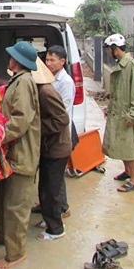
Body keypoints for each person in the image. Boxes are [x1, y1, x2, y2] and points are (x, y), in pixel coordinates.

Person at [0, 41, 41, 269]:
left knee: (16, 207)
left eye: (11, 56)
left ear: (17, 61)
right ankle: (2, 239)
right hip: (12, 154)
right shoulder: (18, 80)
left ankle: (16, 254)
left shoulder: (24, 83)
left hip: (21, 155)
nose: (8, 59)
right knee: (3, 200)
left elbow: (20, 120)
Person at [32, 58, 71, 241]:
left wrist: (37, 126)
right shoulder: (41, 90)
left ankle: (56, 229)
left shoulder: (46, 92)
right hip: (50, 147)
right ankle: (49, 219)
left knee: (51, 189)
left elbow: (62, 119)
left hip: (57, 148)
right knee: (46, 187)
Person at [102, 33, 134, 192]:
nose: (108, 53)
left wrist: (133, 115)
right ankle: (128, 172)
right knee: (121, 144)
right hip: (119, 113)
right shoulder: (122, 65)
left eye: (109, 50)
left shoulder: (132, 66)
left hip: (128, 115)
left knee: (130, 148)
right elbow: (117, 93)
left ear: (114, 49)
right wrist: (110, 108)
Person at [44, 44, 77, 218]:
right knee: (53, 176)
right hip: (52, 134)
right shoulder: (48, 77)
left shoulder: (65, 82)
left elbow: (62, 112)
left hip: (60, 134)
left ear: (62, 62)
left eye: (52, 60)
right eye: (47, 59)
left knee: (54, 178)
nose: (48, 63)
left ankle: (58, 210)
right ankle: (59, 206)